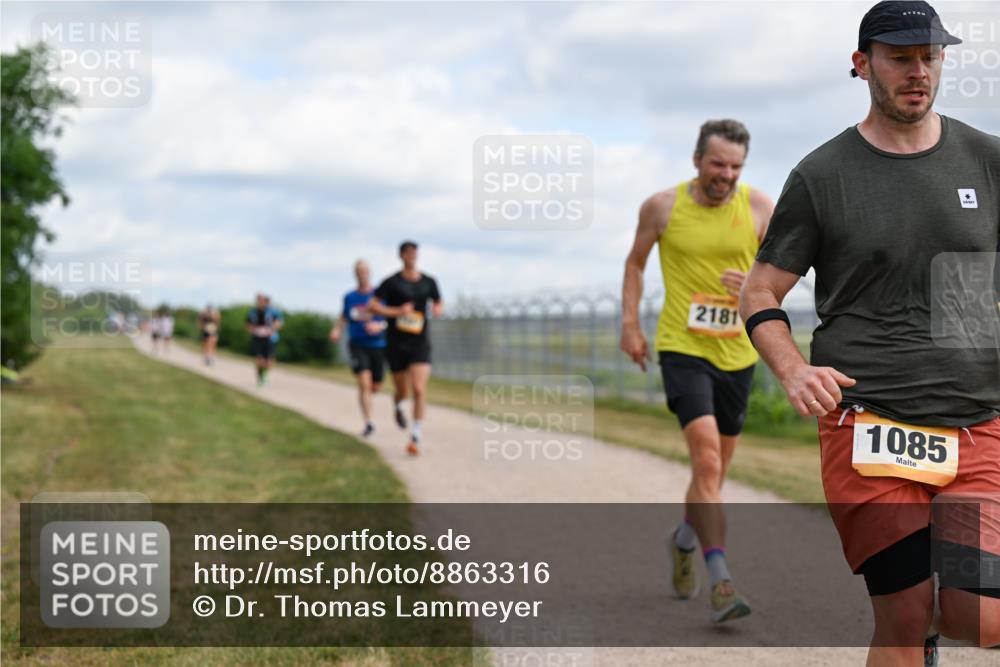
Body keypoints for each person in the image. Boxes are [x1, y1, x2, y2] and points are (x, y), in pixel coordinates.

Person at [739, 1, 1000, 663]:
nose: (918, 72)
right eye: (900, 58)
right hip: (870, 420)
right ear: (862, 65)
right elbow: (760, 290)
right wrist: (794, 369)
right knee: (904, 617)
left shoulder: (987, 160)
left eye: (930, 58)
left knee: (980, 614)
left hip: (977, 422)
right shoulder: (823, 176)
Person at [619, 119, 774, 623]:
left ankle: (684, 540)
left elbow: (784, 273)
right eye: (717, 164)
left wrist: (752, 282)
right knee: (706, 462)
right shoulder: (662, 206)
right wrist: (630, 324)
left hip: (739, 352)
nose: (726, 175)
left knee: (717, 472)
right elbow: (636, 264)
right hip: (682, 346)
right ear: (696, 160)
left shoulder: (758, 207)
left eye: (735, 166)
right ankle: (721, 580)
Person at [369, 241, 442, 456]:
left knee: (419, 388)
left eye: (414, 253)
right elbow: (373, 306)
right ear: (401, 256)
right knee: (402, 390)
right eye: (407, 253)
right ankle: (398, 405)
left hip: (420, 342)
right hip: (396, 342)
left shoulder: (429, 282)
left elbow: (439, 302)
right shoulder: (391, 283)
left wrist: (437, 308)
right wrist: (397, 311)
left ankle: (416, 435)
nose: (411, 256)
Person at [330, 260, 387, 437]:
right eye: (359, 271)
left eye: (365, 270)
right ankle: (369, 422)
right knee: (364, 383)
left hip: (378, 345)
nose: (362, 273)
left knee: (375, 386)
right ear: (355, 274)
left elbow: (390, 317)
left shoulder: (380, 295)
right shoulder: (350, 297)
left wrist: (380, 326)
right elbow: (344, 316)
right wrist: (337, 329)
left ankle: (369, 398)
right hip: (357, 344)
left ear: (369, 273)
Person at [245, 293, 283, 387]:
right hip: (257, 338)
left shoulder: (273, 312)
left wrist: (272, 329)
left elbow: (279, 322)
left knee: (269, 359)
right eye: (259, 301)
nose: (261, 303)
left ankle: (265, 375)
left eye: (263, 301)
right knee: (259, 359)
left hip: (270, 338)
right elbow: (248, 325)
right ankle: (260, 377)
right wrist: (253, 331)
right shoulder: (252, 312)